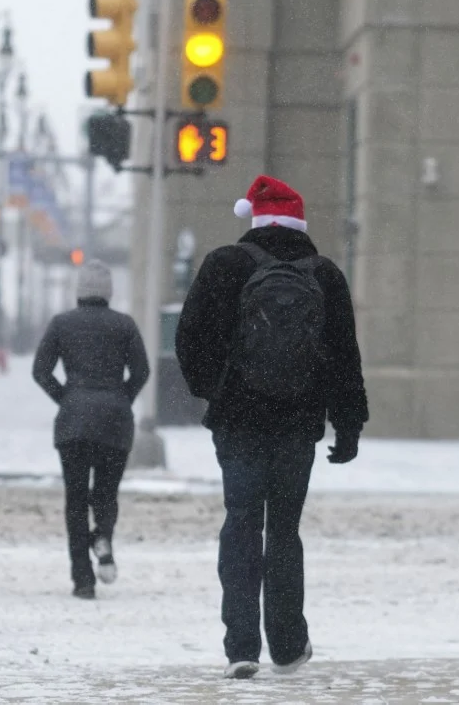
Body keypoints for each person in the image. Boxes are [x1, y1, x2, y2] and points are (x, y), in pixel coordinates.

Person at [175, 175, 369, 679]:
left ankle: (241, 645)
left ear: (255, 219)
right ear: (300, 224)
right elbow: (346, 358)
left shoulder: (224, 265)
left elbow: (188, 336)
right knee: (284, 529)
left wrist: (213, 386)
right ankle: (286, 643)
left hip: (238, 420)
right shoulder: (325, 275)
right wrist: (347, 426)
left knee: (241, 522)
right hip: (297, 421)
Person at [32, 260, 150, 600]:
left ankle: (83, 579)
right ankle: (103, 536)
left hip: (74, 423)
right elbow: (141, 371)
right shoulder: (124, 326)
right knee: (106, 493)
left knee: (76, 499)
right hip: (115, 422)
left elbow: (40, 370)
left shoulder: (61, 324)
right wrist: (121, 398)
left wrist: (67, 399)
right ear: (108, 292)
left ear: (79, 291)